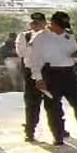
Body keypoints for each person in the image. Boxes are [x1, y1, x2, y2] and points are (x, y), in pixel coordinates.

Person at [26, 12, 77, 146]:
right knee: (53, 106)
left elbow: (75, 53)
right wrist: (38, 78)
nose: (62, 29)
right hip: (51, 73)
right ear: (52, 23)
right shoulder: (40, 38)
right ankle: (58, 135)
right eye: (59, 25)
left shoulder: (68, 36)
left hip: (68, 73)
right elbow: (34, 60)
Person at [16, 12, 63, 142]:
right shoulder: (24, 36)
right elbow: (22, 53)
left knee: (54, 102)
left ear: (44, 23)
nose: (36, 25)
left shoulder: (52, 36)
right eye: (33, 23)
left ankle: (59, 131)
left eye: (39, 23)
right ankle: (30, 131)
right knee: (32, 103)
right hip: (31, 71)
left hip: (50, 71)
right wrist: (34, 45)